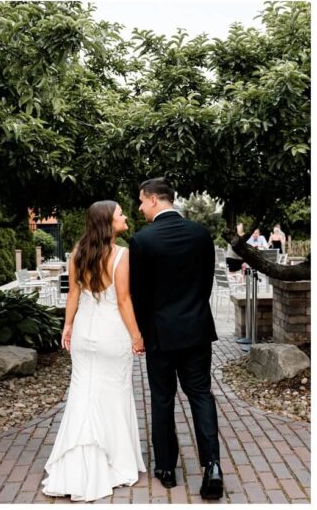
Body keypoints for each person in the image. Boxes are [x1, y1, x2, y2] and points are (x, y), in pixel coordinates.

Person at [43, 201, 144, 501]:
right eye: (120, 214)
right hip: (112, 333)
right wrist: (137, 336)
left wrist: (68, 326)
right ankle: (114, 462)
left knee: (82, 395)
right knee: (113, 395)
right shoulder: (122, 255)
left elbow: (73, 293)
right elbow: (124, 301)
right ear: (107, 223)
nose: (125, 216)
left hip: (84, 332)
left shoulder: (78, 253)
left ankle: (74, 464)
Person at [129, 178, 222, 499]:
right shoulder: (201, 234)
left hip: (160, 334)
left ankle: (167, 468)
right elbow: (207, 283)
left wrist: (140, 332)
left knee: (162, 398)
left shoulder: (142, 241)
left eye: (141, 201)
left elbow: (137, 295)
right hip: (197, 330)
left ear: (155, 200)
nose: (139, 207)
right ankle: (212, 466)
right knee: (201, 395)